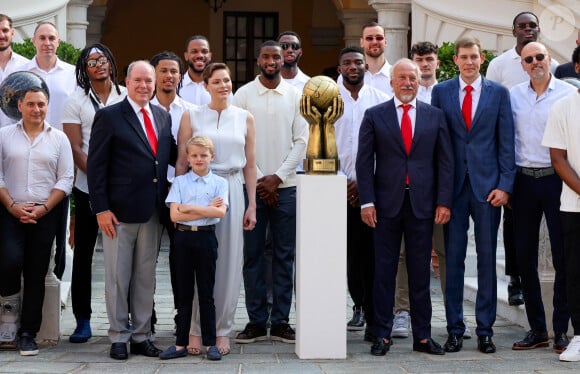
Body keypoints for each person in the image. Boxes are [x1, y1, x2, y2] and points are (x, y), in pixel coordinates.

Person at [356, 58, 453, 356]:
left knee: (420, 272)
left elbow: (445, 162)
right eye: (402, 78)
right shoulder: (375, 115)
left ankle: (422, 336)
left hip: (423, 206)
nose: (408, 82)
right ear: (392, 82)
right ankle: (382, 334)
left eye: (412, 77)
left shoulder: (434, 116)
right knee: (384, 271)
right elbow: (364, 161)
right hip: (385, 206)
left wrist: (443, 201)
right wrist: (367, 201)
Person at [431, 35, 515, 354]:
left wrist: (505, 185)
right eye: (463, 57)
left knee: (486, 259)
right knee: (452, 261)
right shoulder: (441, 92)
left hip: (487, 188)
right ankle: (454, 329)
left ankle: (485, 330)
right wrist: (439, 193)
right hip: (452, 190)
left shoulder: (498, 94)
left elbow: (506, 141)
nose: (469, 62)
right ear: (456, 61)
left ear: (483, 60)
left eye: (474, 57)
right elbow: (438, 144)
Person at [87, 60, 174, 360]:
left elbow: (166, 157)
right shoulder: (109, 116)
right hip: (118, 213)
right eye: (138, 80)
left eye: (148, 81)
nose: (144, 86)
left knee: (145, 277)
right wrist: (101, 208)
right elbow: (96, 167)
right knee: (117, 276)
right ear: (126, 81)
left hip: (152, 211)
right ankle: (118, 337)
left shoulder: (163, 116)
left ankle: (141, 335)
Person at [176, 62, 257, 355]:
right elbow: (182, 161)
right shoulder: (192, 115)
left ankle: (222, 330)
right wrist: (178, 203)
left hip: (233, 189)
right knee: (199, 260)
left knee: (228, 264)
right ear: (206, 84)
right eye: (218, 81)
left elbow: (250, 164)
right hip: (199, 189)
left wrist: (252, 205)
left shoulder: (245, 117)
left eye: (227, 80)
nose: (224, 85)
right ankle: (196, 330)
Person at [233, 40, 308, 344]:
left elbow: (302, 141)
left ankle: (280, 321)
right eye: (266, 56)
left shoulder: (295, 95)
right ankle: (255, 320)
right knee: (252, 256)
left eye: (276, 56)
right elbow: (238, 140)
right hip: (251, 189)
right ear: (258, 60)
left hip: (286, 189)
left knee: (284, 256)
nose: (271, 60)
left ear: (282, 60)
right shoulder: (243, 95)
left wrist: (277, 177)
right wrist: (263, 180)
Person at [486, 11, 559, 308]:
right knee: (516, 231)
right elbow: (492, 117)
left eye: (532, 26)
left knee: (557, 240)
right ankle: (515, 279)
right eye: (522, 26)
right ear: (513, 30)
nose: (534, 64)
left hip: (555, 172)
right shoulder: (500, 68)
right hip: (518, 169)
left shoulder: (561, 81)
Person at [509, 42, 575, 354]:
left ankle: (560, 329)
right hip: (523, 181)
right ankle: (537, 329)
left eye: (540, 57)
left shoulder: (567, 93)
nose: (535, 62)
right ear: (522, 64)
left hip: (557, 179)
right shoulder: (513, 96)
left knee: (562, 256)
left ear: (550, 60)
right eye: (529, 59)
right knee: (524, 257)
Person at [0, 86, 74, 356]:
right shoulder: (4, 136)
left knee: (36, 271)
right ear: (19, 106)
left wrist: (42, 209)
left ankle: (28, 332)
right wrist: (12, 206)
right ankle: (9, 320)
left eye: (41, 104)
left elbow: (66, 179)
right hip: (10, 211)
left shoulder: (59, 139)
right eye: (30, 104)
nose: (36, 109)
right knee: (8, 261)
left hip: (45, 214)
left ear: (47, 106)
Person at [62, 43, 127, 344]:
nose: (99, 65)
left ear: (111, 64)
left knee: (127, 256)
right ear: (84, 69)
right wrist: (99, 176)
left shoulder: (125, 95)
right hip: (87, 187)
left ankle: (133, 317)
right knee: (84, 256)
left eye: (103, 59)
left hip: (123, 188)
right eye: (92, 62)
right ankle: (83, 320)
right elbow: (75, 147)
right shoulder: (75, 101)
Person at [332, 46, 389, 339]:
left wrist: (365, 184)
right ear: (339, 68)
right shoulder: (327, 101)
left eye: (357, 62)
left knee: (373, 252)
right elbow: (321, 145)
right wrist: (344, 181)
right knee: (348, 254)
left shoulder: (381, 100)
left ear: (365, 66)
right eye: (347, 63)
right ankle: (358, 304)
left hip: (373, 190)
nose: (353, 66)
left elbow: (387, 147)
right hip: (335, 189)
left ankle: (373, 308)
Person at [160, 136, 228, 362]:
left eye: (203, 155)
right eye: (195, 155)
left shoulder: (220, 183)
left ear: (212, 157)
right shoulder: (180, 182)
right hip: (182, 239)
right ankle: (181, 344)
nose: (199, 159)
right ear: (187, 158)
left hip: (206, 240)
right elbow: (174, 215)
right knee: (184, 293)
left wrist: (189, 208)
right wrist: (204, 208)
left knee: (207, 293)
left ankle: (210, 344)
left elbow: (219, 213)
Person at [23, 21, 76, 282]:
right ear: (34, 41)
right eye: (42, 37)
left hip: (61, 154)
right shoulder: (21, 73)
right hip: (27, 155)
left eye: (52, 38)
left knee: (61, 227)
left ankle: (59, 289)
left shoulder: (73, 74)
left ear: (59, 42)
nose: (47, 42)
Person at [150, 51, 196, 330]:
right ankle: (146, 317)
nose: (169, 76)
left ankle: (184, 316)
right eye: (163, 71)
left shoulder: (190, 111)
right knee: (146, 259)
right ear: (154, 74)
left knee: (182, 258)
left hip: (182, 195)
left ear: (181, 76)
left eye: (173, 71)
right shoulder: (141, 109)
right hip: (149, 194)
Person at [542, 49, 580, 362]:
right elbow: (558, 158)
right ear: (578, 66)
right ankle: (579, 335)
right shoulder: (563, 107)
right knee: (575, 272)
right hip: (574, 206)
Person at [342, 22, 393, 97]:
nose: (374, 42)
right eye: (369, 38)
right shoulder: (346, 76)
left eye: (379, 38)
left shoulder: (396, 76)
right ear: (361, 42)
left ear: (385, 42)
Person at [0, 13, 29, 127]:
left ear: (12, 33)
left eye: (5, 30)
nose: (1, 35)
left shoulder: (26, 66)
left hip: (18, 134)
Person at [179, 35, 212, 105]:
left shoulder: (220, 86)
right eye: (194, 51)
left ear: (210, 56)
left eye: (204, 51)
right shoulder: (176, 86)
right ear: (186, 56)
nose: (200, 55)